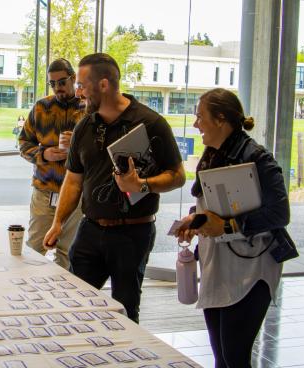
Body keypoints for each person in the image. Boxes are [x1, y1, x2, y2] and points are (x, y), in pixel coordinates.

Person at [43, 53, 185, 323]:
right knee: (75, 307)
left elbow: (177, 176)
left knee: (126, 312)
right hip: (90, 230)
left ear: (104, 85)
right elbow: (74, 180)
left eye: (83, 85)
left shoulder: (151, 123)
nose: (78, 92)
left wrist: (142, 184)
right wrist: (58, 222)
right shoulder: (85, 125)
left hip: (133, 235)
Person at [173, 88, 289, 367]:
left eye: (200, 117)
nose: (195, 124)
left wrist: (228, 225)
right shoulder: (212, 153)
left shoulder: (259, 158)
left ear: (221, 119)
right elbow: (210, 205)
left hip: (250, 269)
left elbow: (279, 212)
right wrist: (194, 220)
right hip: (218, 265)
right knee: (222, 357)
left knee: (234, 356)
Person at [19, 58, 85, 270]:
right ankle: (26, 295)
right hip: (44, 191)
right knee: (34, 248)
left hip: (76, 196)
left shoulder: (88, 109)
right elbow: (23, 143)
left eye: (62, 82)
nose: (58, 87)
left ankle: (64, 298)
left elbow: (99, 149)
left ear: (74, 79)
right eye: (53, 83)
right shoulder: (41, 107)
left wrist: (75, 145)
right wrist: (44, 154)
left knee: (68, 251)